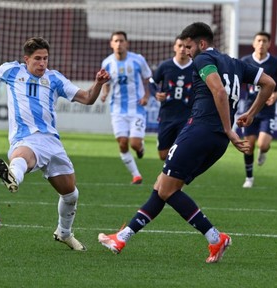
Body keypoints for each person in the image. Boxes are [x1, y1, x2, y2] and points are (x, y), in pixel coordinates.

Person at [98, 22, 275, 263]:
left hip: (200, 131)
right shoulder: (235, 63)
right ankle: (123, 237)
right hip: (216, 141)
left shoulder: (203, 59)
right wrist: (251, 113)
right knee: (163, 185)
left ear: (202, 44)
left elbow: (220, 92)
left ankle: (215, 238)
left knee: (167, 189)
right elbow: (270, 84)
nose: (187, 51)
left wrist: (230, 129)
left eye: (189, 46)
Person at [0, 37, 110, 251]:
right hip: (25, 138)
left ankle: (64, 233)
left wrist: (98, 83)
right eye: (37, 59)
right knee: (23, 156)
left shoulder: (54, 79)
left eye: (45, 58)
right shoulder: (11, 72)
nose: (42, 63)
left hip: (52, 142)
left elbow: (88, 98)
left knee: (71, 194)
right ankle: (13, 176)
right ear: (26, 59)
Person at [101, 31, 152, 184]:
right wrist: (104, 93)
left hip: (136, 108)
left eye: (121, 41)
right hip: (117, 109)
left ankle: (140, 148)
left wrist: (146, 96)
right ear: (111, 44)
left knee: (135, 144)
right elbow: (106, 83)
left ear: (127, 43)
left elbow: (147, 78)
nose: (119, 44)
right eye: (116, 41)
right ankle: (136, 175)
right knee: (123, 142)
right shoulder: (107, 63)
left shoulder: (138, 60)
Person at [240, 31, 277, 188]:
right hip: (250, 109)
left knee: (263, 144)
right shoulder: (245, 61)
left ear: (269, 44)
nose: (261, 43)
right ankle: (249, 178)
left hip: (267, 110)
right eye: (259, 40)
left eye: (264, 41)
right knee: (248, 146)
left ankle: (263, 152)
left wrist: (275, 95)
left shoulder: (274, 63)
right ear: (254, 43)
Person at [152, 35, 194, 160]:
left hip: (187, 116)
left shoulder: (196, 67)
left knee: (180, 152)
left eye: (186, 46)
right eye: (179, 46)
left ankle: (174, 176)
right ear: (174, 47)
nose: (182, 49)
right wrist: (156, 93)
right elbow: (152, 83)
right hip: (167, 115)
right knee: (163, 155)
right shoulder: (165, 66)